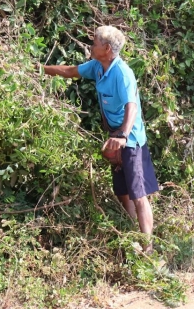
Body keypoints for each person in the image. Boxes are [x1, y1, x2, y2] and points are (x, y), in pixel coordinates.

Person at [40, 26, 159, 249]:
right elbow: (70, 71)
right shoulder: (97, 67)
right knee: (122, 191)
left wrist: (123, 135)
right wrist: (39, 69)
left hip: (130, 138)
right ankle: (131, 232)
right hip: (114, 136)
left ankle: (148, 248)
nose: (91, 46)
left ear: (107, 49)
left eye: (94, 43)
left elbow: (132, 107)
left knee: (138, 194)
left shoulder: (122, 73)